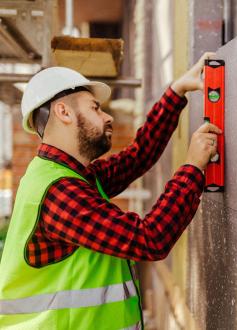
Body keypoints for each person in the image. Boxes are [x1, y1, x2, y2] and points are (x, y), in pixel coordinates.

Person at [0, 52, 221, 329]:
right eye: (95, 108)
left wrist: (176, 93)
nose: (107, 117)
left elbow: (136, 158)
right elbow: (149, 239)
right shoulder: (60, 192)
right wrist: (192, 168)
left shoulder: (67, 175)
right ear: (63, 112)